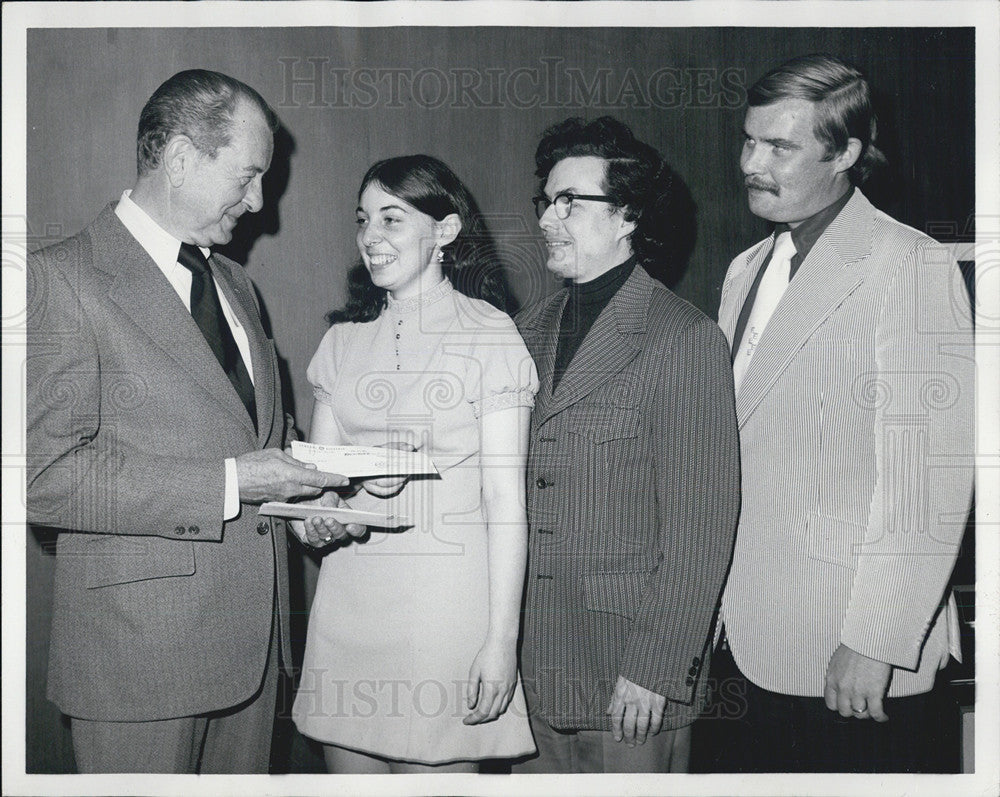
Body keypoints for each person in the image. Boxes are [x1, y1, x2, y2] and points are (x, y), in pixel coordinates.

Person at [25, 69, 361, 774]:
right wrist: (232, 481)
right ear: (179, 159)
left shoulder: (238, 283)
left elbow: (260, 442)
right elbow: (45, 478)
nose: (260, 201)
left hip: (254, 659)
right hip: (139, 667)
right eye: (248, 175)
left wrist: (307, 504)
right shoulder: (61, 278)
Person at [715, 54, 974, 772]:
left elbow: (927, 477)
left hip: (854, 653)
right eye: (748, 140)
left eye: (780, 147)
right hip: (751, 642)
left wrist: (877, 638)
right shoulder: (745, 268)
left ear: (847, 153)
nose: (751, 163)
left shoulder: (908, 264)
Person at [291, 155, 538, 773]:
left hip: (444, 613)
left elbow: (506, 503)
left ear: (445, 232)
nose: (371, 236)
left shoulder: (490, 335)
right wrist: (317, 519)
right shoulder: (340, 343)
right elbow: (320, 488)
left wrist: (500, 642)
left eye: (392, 219)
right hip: (348, 608)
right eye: (363, 219)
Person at [510, 116, 741, 774]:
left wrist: (657, 668)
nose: (549, 218)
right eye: (546, 201)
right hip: (535, 668)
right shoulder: (526, 331)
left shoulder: (684, 338)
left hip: (629, 675)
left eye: (569, 202)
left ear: (629, 215)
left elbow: (702, 527)